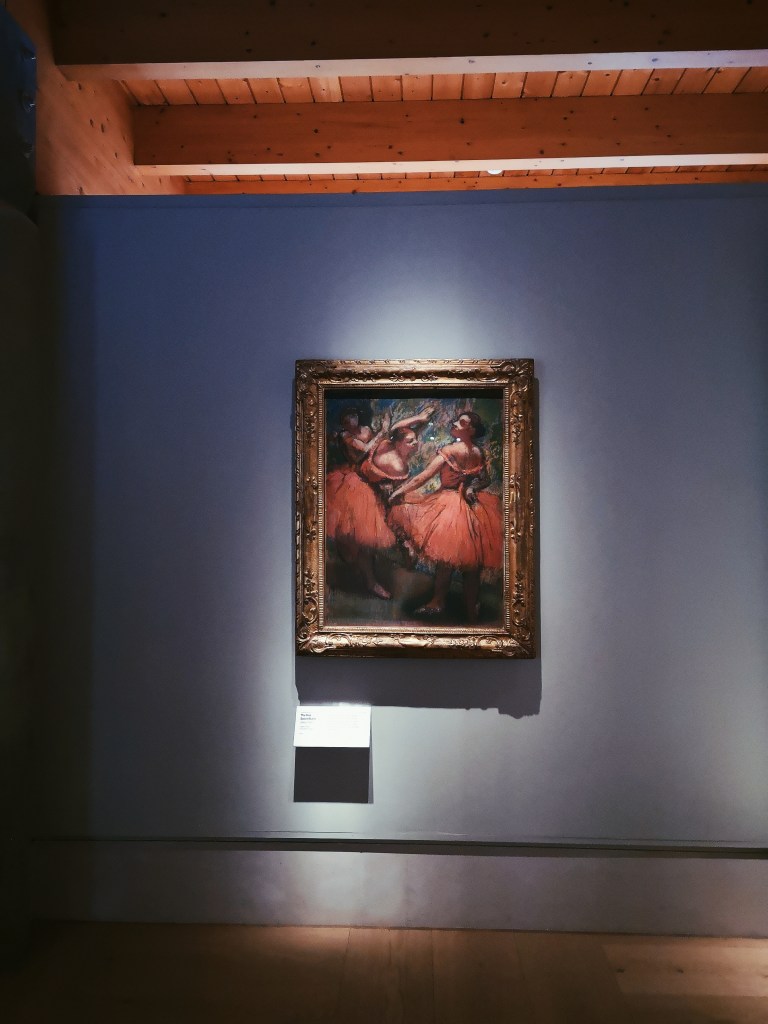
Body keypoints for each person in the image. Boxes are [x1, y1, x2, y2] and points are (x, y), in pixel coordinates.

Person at [388, 410, 502, 622]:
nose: (455, 423)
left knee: (448, 560)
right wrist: (472, 488)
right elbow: (484, 479)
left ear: (472, 430)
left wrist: (398, 492)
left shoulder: (450, 450)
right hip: (472, 507)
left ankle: (438, 602)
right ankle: (469, 610)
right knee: (471, 563)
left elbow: (423, 476)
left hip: (450, 506)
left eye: (462, 422)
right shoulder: (478, 452)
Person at [325, 405, 433, 599]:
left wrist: (419, 418)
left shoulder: (367, 430)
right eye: (346, 419)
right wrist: (383, 431)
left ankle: (406, 547)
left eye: (353, 415)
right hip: (359, 484)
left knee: (396, 515)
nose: (351, 421)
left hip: (378, 481)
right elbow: (365, 452)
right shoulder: (345, 437)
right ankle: (371, 582)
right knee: (367, 538)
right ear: (342, 424)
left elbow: (391, 434)